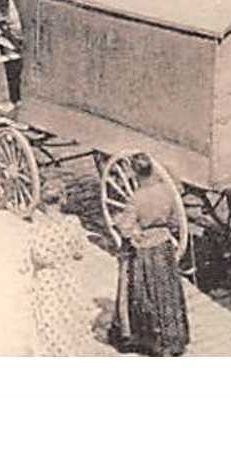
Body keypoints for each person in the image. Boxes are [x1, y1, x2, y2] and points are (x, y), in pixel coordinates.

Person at [109, 153, 190, 357]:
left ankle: (149, 339)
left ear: (136, 174)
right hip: (163, 247)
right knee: (166, 290)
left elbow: (127, 228)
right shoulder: (166, 192)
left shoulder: (136, 198)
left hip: (145, 250)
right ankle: (172, 338)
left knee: (144, 291)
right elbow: (174, 220)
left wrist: (120, 223)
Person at [25, 180, 100, 356]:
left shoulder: (37, 226)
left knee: (49, 319)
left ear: (43, 202)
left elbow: (38, 256)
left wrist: (49, 262)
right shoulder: (73, 222)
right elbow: (79, 252)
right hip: (68, 275)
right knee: (71, 316)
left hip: (46, 278)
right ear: (63, 200)